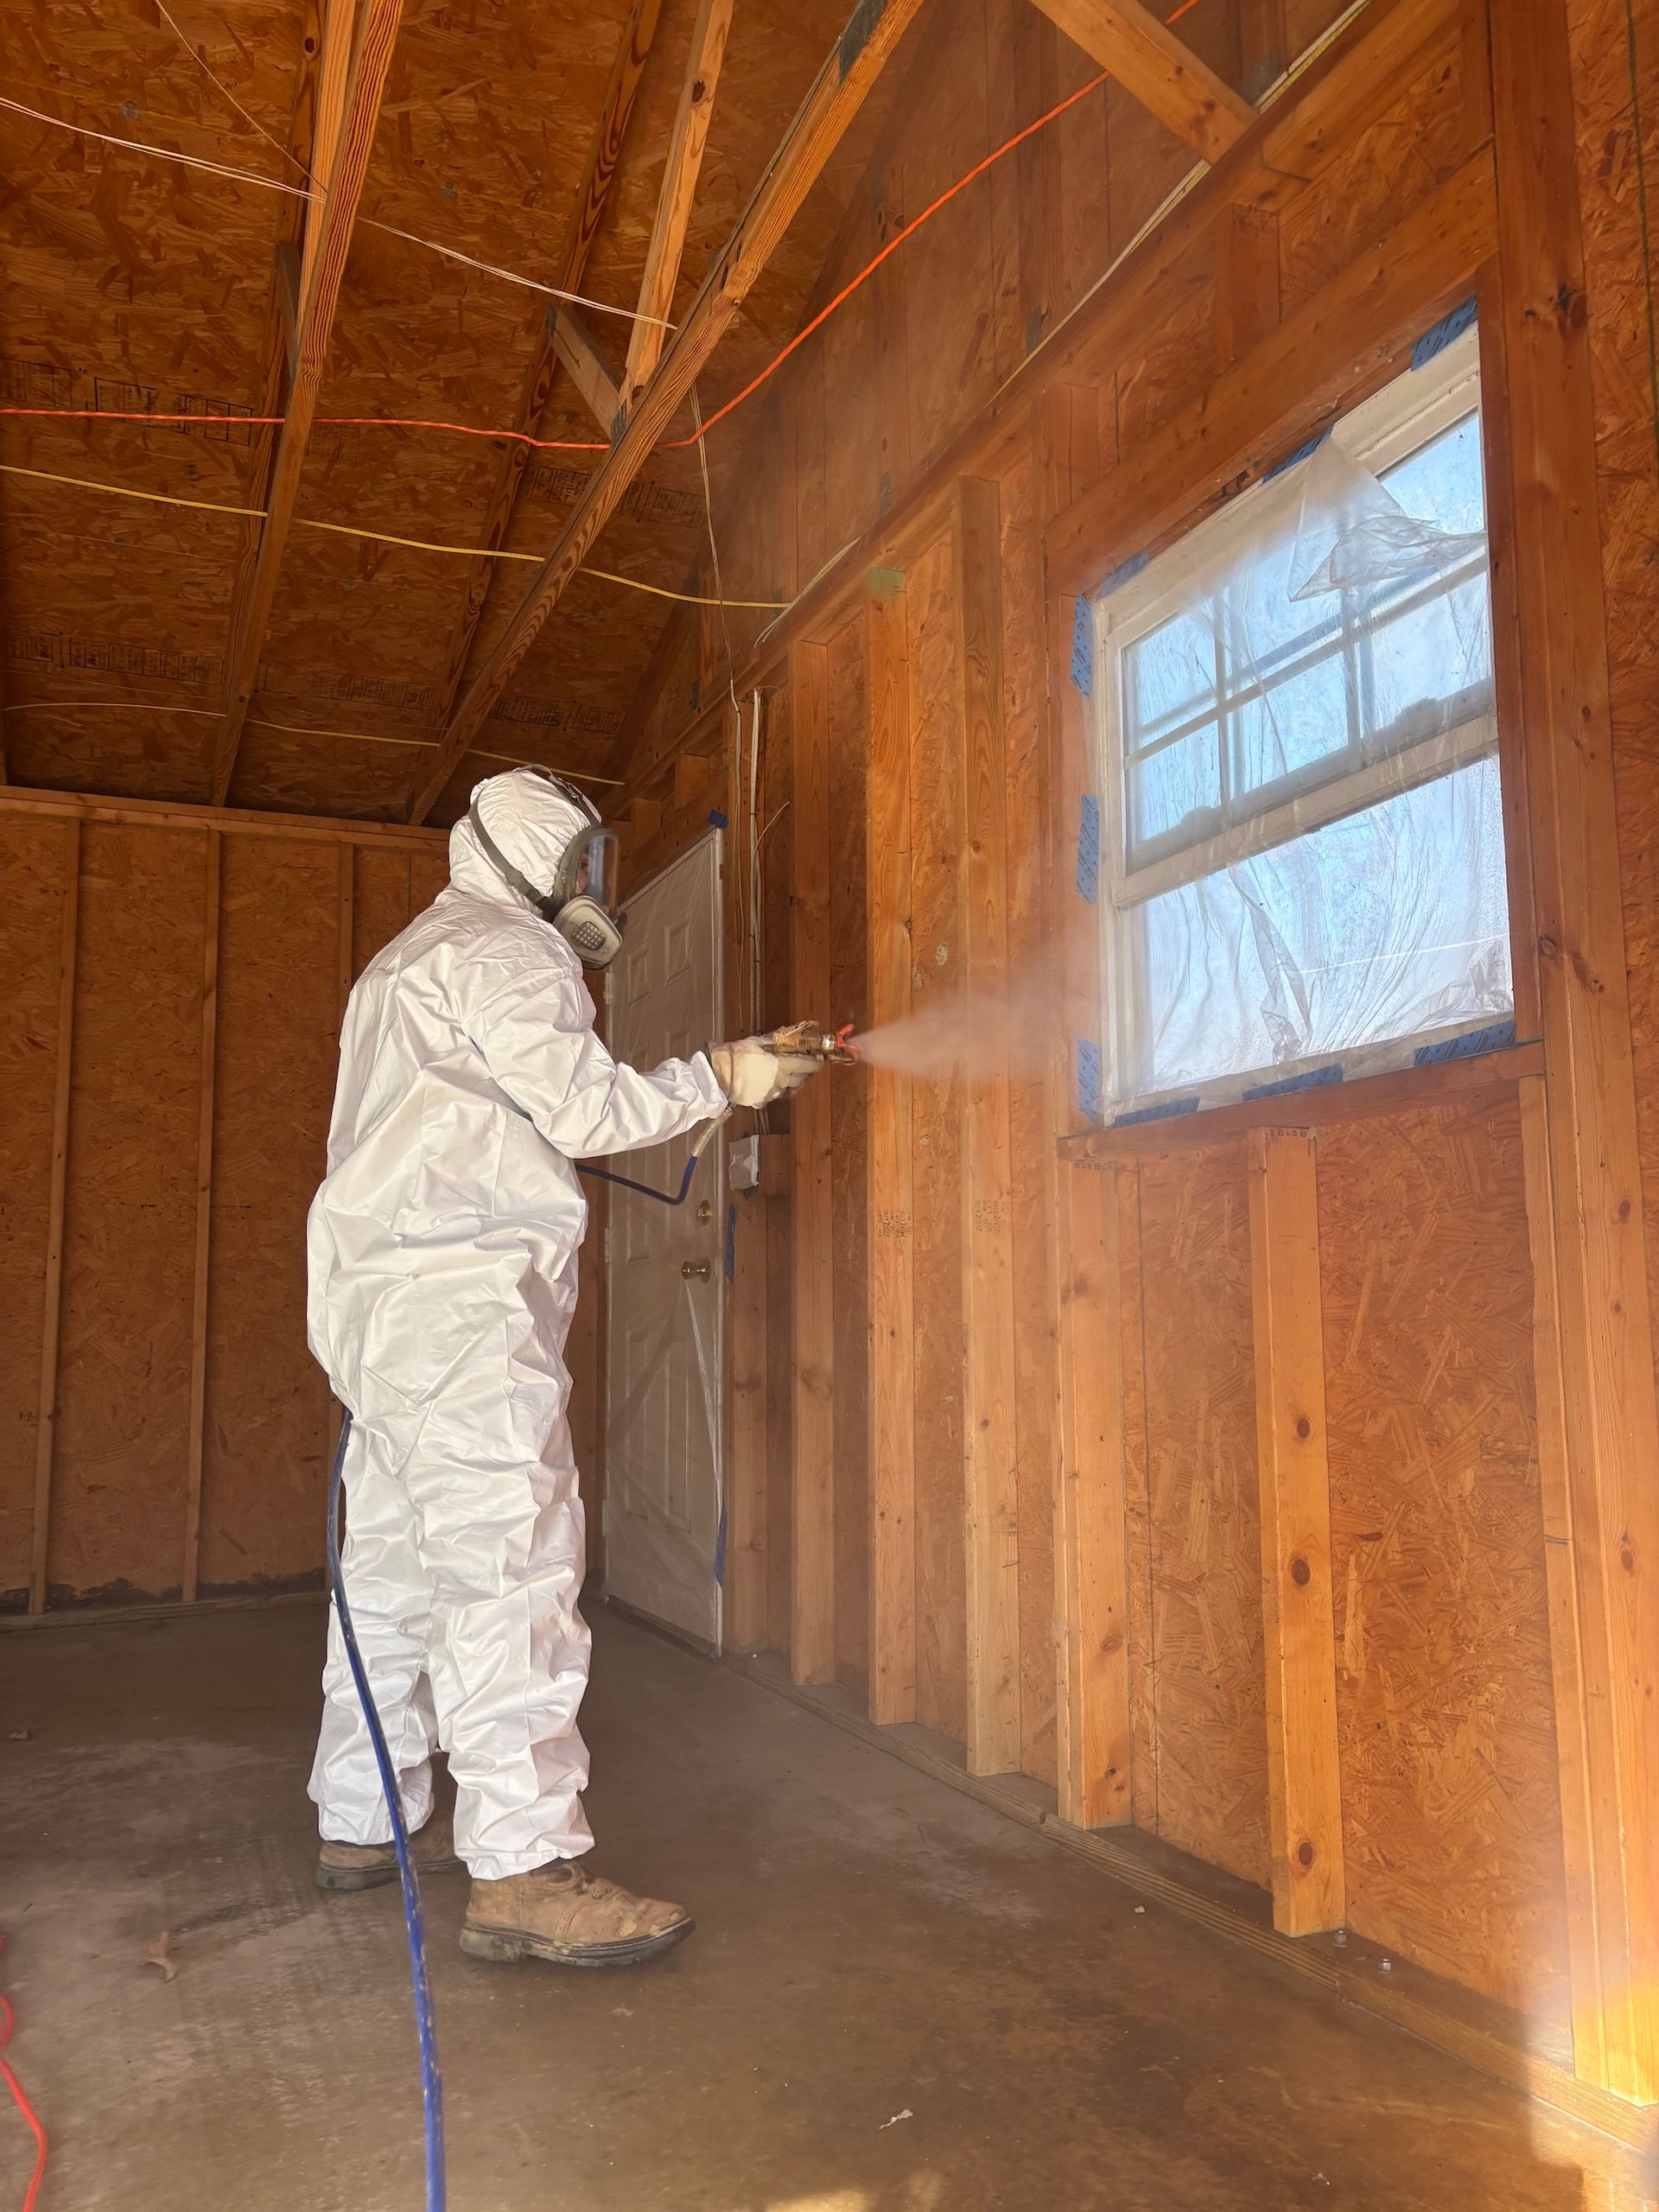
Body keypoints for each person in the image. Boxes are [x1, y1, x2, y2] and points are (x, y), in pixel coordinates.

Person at [305, 766, 817, 1967]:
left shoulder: (402, 963)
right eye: (586, 862)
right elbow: (584, 1112)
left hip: (379, 1314)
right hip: (465, 1305)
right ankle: (525, 1870)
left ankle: (360, 1821)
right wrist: (728, 1078)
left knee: (388, 1569)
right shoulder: (507, 950)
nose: (597, 886)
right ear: (540, 857)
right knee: (509, 1573)